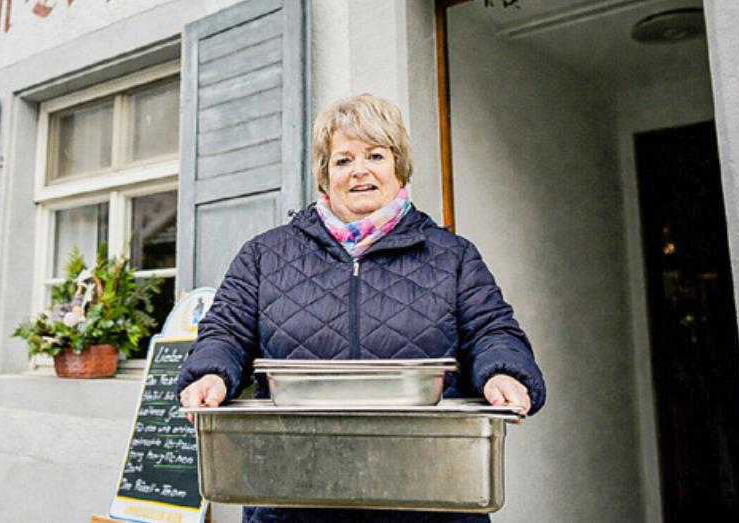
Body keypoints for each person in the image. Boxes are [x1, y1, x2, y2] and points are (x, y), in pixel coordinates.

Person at [177, 93, 546, 523]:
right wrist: (211, 373)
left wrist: (503, 372)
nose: (360, 170)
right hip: (292, 501)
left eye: (375, 155)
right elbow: (226, 332)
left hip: (432, 500)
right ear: (324, 175)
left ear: (398, 166)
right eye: (343, 160)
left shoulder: (453, 256)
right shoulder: (264, 255)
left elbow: (492, 331)